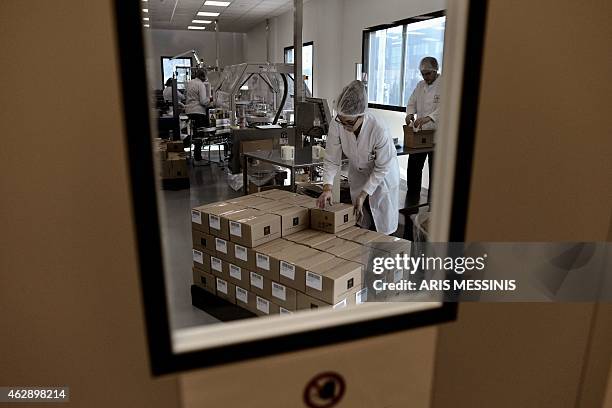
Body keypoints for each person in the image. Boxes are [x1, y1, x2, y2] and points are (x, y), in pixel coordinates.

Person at [317, 80, 399, 235]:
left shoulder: (378, 128)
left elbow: (382, 167)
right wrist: (327, 188)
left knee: (382, 230)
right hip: (359, 175)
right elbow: (331, 158)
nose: (344, 125)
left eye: (349, 122)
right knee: (362, 227)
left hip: (382, 180)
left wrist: (364, 193)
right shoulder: (338, 123)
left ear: (362, 116)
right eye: (341, 120)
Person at [405, 56, 441, 202]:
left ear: (435, 70)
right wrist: (409, 114)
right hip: (419, 135)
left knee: (435, 173)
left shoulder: (445, 84)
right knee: (413, 168)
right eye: (423, 74)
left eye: (428, 74)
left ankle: (433, 205)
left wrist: (429, 117)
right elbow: (412, 101)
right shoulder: (420, 85)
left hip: (437, 136)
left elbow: (445, 108)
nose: (425, 77)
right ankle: (412, 200)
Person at [185, 69, 212, 161]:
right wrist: (210, 99)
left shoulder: (190, 82)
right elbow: (203, 101)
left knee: (195, 132)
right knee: (201, 132)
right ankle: (198, 155)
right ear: (203, 76)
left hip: (189, 111)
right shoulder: (201, 84)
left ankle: (191, 145)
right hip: (198, 112)